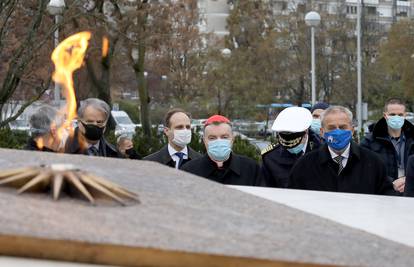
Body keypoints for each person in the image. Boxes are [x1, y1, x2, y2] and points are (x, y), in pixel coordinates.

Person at [289, 106, 395, 195]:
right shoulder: (305, 165)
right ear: (322, 132)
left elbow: (387, 198)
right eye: (331, 128)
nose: (338, 132)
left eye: (343, 127)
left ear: (352, 130)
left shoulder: (373, 162)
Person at [181, 115, 263, 186]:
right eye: (212, 138)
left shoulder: (251, 168)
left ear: (232, 139)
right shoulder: (189, 171)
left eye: (224, 137)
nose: (219, 141)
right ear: (204, 141)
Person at [361, 98, 414, 194]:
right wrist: (391, 183)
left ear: (405, 116)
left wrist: (408, 181)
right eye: (392, 114)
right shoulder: (369, 142)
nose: (397, 117)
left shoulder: (412, 140)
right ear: (385, 115)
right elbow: (365, 170)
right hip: (383, 196)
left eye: (400, 115)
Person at [261, 107, 321, 187]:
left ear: (306, 131)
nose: (291, 146)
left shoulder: (322, 152)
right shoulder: (270, 157)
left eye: (294, 136)